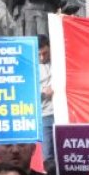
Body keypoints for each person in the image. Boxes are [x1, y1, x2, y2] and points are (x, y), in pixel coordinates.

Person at [39, 36, 56, 167]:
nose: (42, 57)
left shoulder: (58, 61)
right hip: (45, 115)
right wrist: (43, 93)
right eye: (39, 55)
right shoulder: (31, 67)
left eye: (45, 53)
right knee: (48, 157)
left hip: (62, 113)